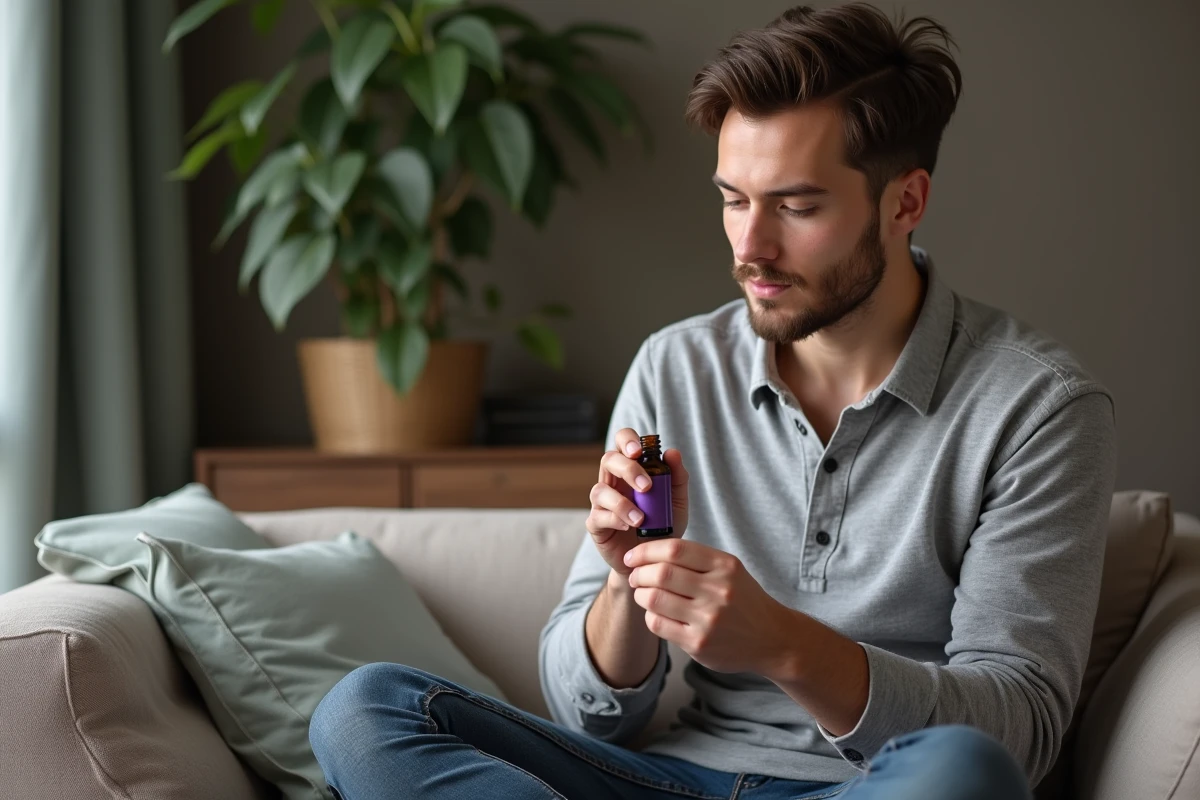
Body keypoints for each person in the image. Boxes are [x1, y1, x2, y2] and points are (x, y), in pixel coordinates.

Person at [308, 3, 1118, 798]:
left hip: (874, 787)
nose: (750, 248)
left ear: (904, 202)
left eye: (797, 207)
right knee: (362, 711)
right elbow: (590, 718)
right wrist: (627, 585)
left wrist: (785, 646)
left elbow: (1019, 732)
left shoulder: (1037, 409)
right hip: (671, 778)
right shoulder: (675, 367)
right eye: (734, 199)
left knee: (963, 772)